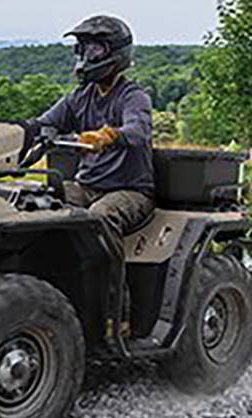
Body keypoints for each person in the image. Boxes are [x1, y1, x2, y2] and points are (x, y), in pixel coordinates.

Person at [23, 15, 155, 263]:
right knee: (36, 202)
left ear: (116, 53)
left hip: (130, 192)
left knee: (101, 215)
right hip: (86, 187)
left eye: (95, 49)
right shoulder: (79, 97)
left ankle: (111, 290)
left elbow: (139, 131)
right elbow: (43, 123)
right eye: (83, 49)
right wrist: (17, 131)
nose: (86, 56)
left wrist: (109, 135)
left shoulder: (133, 96)